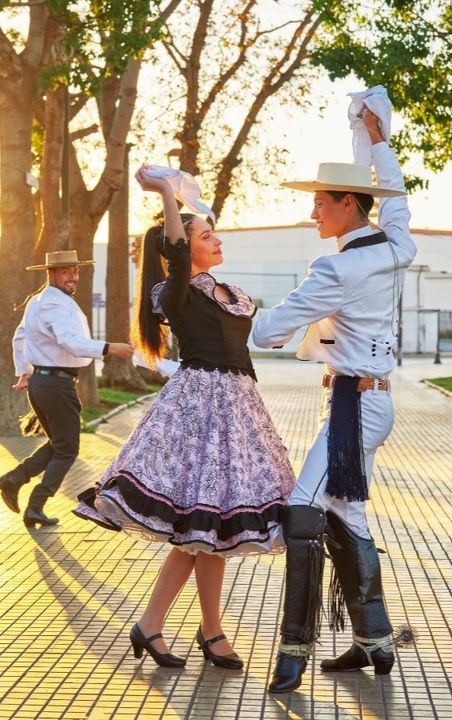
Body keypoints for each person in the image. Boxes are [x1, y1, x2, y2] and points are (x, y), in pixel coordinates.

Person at [74, 165, 297, 669]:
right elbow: (175, 254)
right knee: (200, 531)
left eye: (213, 233)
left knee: (208, 535)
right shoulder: (175, 292)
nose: (215, 240)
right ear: (182, 246)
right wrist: (168, 196)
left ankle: (180, 628)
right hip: (198, 412)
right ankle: (183, 628)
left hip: (239, 411)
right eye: (206, 235)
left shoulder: (227, 290)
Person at [251, 108, 416, 693]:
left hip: (356, 412)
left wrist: (232, 305)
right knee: (348, 513)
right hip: (366, 403)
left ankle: (293, 650)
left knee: (303, 509)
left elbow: (267, 332)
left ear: (349, 203)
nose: (313, 209)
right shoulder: (396, 242)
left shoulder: (337, 266)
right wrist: (375, 141)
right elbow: (393, 196)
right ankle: (373, 641)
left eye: (321, 200)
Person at [2, 251, 134, 529]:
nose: (73, 276)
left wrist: (24, 372)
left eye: (75, 271)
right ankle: (34, 503)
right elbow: (69, 340)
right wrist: (109, 348)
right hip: (55, 383)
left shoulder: (39, 301)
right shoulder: (54, 305)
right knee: (67, 450)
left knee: (59, 444)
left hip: (44, 380)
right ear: (51, 273)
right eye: (66, 272)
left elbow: (20, 337)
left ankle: (15, 481)